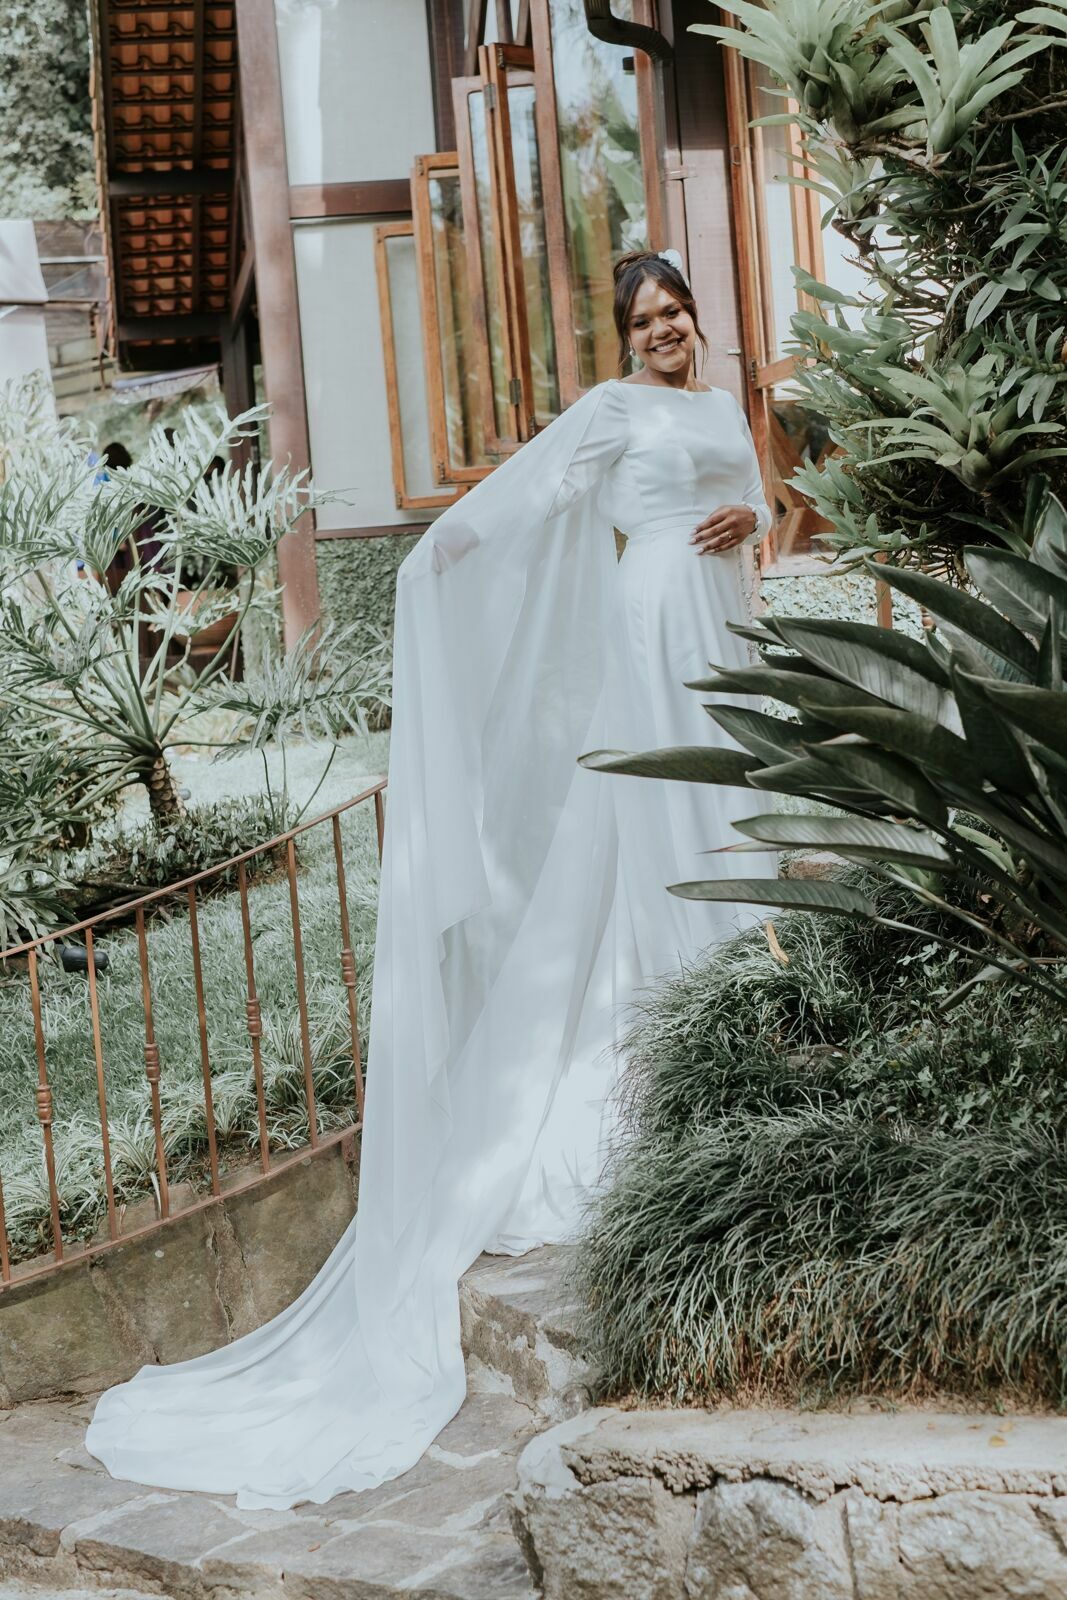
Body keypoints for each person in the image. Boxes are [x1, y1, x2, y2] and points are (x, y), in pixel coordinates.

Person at [86, 249, 772, 1509]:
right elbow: (523, 504)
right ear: (622, 335)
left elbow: (752, 494)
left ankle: (736, 1009)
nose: (665, 329)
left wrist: (755, 520)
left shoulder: (723, 399)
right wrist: (438, 561)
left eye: (676, 312)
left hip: (720, 617)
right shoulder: (613, 410)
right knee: (658, 828)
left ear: (695, 320)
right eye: (643, 318)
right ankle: (673, 1042)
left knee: (729, 822)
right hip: (651, 621)